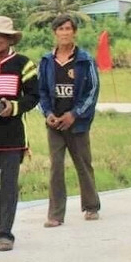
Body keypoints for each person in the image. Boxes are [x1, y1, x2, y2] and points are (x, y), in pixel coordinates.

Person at [0, 16, 39, 251]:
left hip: (12, 135)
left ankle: (5, 233)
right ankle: (4, 221)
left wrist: (13, 106)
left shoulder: (23, 63)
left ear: (10, 38)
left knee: (9, 185)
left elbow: (33, 96)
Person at [38, 14, 101, 227]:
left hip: (78, 122)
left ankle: (91, 206)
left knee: (83, 163)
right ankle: (55, 215)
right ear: (54, 32)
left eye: (68, 28)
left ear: (74, 32)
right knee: (56, 167)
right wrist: (48, 114)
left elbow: (92, 91)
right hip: (55, 123)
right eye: (60, 29)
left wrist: (74, 114)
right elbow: (41, 92)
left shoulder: (85, 60)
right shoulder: (47, 61)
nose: (64, 32)